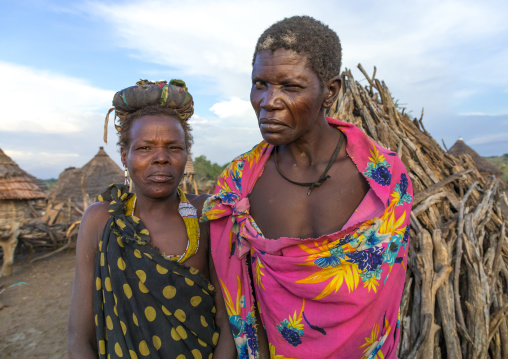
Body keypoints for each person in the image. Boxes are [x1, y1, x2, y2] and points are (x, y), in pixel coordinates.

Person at [203, 16, 413, 359]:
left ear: (330, 91)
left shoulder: (384, 181)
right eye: (260, 84)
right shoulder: (238, 185)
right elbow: (232, 302)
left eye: (291, 86)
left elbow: (385, 295)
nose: (269, 101)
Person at [67, 80, 236, 358]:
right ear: (125, 156)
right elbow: (78, 336)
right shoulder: (100, 220)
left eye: (173, 147)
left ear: (185, 156)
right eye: (145, 148)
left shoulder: (208, 213)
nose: (161, 158)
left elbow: (228, 321)